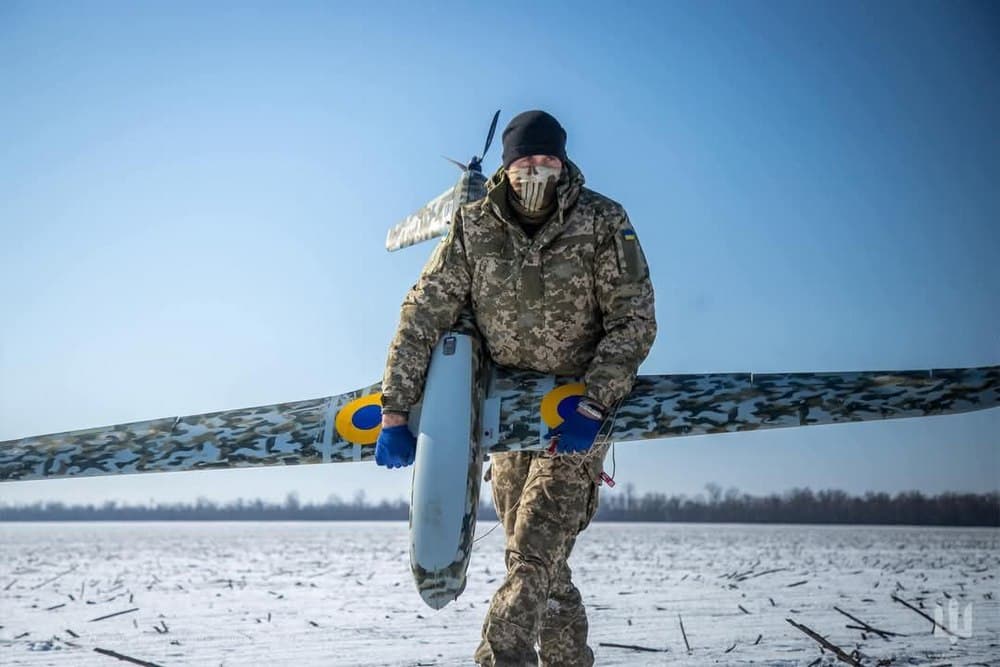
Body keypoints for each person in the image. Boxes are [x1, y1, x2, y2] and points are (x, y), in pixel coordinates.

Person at [375, 110, 657, 666]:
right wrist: (394, 408)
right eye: (527, 160)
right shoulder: (472, 227)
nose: (538, 170)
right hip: (504, 411)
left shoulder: (602, 221)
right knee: (535, 563)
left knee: (532, 549)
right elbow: (422, 314)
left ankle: (499, 656)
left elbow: (634, 319)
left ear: (563, 161)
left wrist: (596, 401)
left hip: (575, 411)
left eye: (548, 160)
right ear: (507, 166)